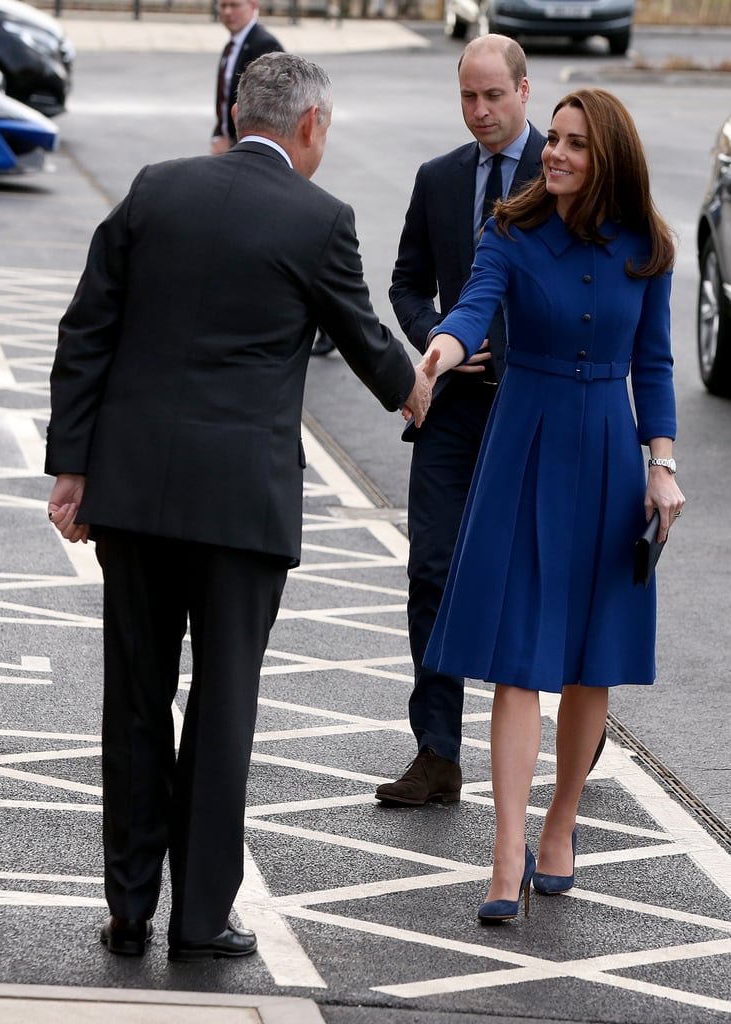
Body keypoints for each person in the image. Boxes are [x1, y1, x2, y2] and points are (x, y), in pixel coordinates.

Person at [45, 52, 434, 963]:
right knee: (222, 710)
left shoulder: (156, 189)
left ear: (239, 112)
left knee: (135, 702)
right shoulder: (318, 218)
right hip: (239, 513)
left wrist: (73, 467)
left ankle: (129, 909)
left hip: (135, 497)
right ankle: (200, 919)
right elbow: (362, 334)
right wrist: (413, 390)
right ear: (308, 128)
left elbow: (86, 326)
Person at [414, 87, 685, 922]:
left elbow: (657, 364)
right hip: (523, 440)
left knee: (587, 661)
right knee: (518, 660)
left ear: (608, 158)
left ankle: (561, 823)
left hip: (608, 447)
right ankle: (504, 854)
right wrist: (438, 353)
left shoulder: (649, 247)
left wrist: (662, 464)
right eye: (554, 140)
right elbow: (472, 306)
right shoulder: (511, 228)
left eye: (572, 144)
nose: (554, 154)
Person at [377, 35, 547, 806]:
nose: (480, 112)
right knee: (432, 570)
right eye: (468, 97)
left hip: (538, 409)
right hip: (453, 410)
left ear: (523, 90)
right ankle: (437, 752)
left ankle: (572, 716)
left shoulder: (566, 169)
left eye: (493, 96)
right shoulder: (439, 178)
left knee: (539, 577)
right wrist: (437, 336)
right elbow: (406, 283)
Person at [211, 0, 282, 155]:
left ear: (253, 6)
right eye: (223, 6)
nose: (228, 12)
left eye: (234, 5)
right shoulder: (232, 46)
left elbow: (272, 109)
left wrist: (233, 145)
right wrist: (218, 135)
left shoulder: (264, 45)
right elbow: (224, 99)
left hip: (247, 151)